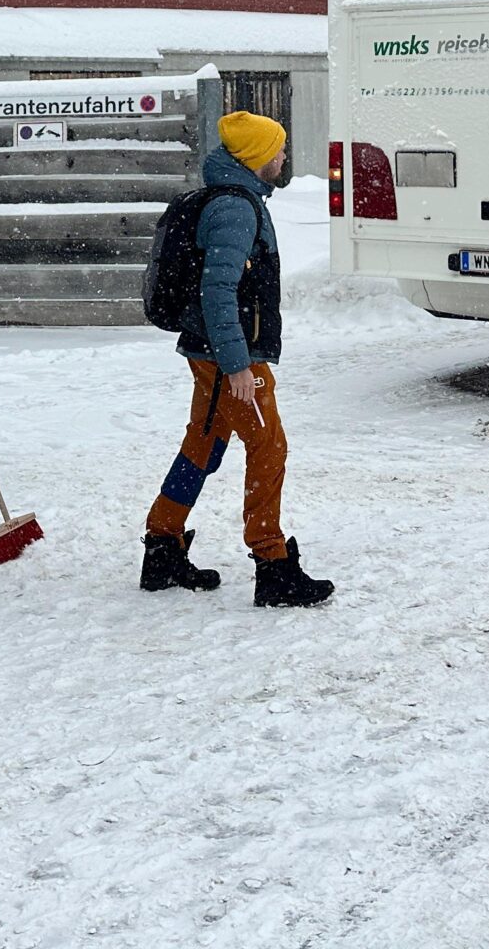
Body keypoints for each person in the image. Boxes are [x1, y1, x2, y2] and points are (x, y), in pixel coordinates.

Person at [140, 111, 336, 608]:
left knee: (203, 445)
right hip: (227, 355)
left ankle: (162, 546)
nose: (284, 156)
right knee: (269, 447)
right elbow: (218, 289)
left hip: (210, 350)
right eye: (278, 148)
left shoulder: (236, 198)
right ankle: (273, 566)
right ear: (255, 157)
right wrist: (237, 366)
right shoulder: (234, 208)